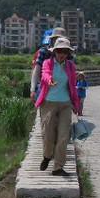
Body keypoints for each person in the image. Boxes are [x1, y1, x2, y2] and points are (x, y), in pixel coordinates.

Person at [34, 35, 82, 176]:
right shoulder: (48, 63)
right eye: (60, 51)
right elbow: (44, 74)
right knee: (48, 133)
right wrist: (49, 80)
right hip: (48, 102)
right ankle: (47, 155)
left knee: (63, 135)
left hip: (65, 103)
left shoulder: (71, 66)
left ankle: (58, 167)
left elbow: (73, 85)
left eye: (65, 52)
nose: (62, 54)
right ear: (54, 51)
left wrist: (76, 104)